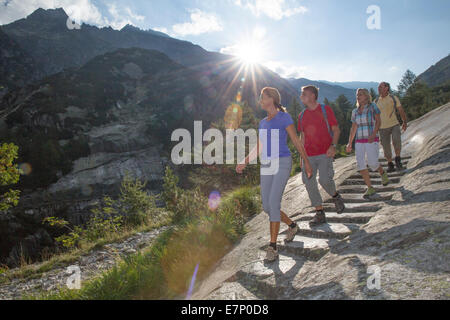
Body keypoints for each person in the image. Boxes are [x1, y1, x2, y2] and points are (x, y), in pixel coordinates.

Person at [236, 87, 312, 262]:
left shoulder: (284, 117)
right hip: (267, 164)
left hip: (283, 162)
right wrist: (245, 161)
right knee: (267, 207)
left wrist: (306, 162)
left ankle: (273, 246)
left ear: (272, 99)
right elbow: (260, 147)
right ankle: (292, 225)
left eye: (263, 97)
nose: (260, 101)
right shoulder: (263, 122)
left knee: (274, 202)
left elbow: (296, 141)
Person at [298, 85, 345, 226]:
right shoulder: (302, 115)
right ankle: (319, 213)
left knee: (324, 180)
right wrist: (302, 158)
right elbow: (303, 138)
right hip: (308, 155)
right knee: (309, 183)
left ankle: (336, 196)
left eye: (304, 94)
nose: (301, 97)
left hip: (325, 153)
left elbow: (336, 130)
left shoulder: (325, 110)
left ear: (313, 96)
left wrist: (333, 146)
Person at [346, 89, 390, 199]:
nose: (358, 96)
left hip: (371, 139)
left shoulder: (372, 107)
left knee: (373, 163)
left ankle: (382, 172)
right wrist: (349, 143)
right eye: (357, 95)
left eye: (360, 94)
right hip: (359, 141)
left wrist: (374, 134)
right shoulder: (355, 112)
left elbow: (378, 121)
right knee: (360, 164)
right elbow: (353, 128)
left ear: (366, 96)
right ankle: (370, 187)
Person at [376, 82, 408, 172]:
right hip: (382, 128)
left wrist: (404, 122)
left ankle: (398, 159)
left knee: (396, 140)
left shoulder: (393, 98)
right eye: (378, 87)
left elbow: (400, 110)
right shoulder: (376, 101)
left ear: (387, 88)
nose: (379, 89)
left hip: (394, 124)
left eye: (381, 87)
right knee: (386, 147)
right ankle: (390, 164)